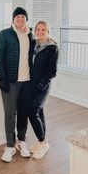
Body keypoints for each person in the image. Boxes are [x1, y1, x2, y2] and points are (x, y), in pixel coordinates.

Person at [0, 7, 34, 163]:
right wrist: (2, 79)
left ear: (26, 19)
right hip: (11, 81)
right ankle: (10, 145)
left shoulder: (31, 36)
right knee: (10, 114)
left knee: (23, 113)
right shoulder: (5, 35)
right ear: (13, 19)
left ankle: (22, 141)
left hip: (27, 81)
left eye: (23, 16)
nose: (20, 19)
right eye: (17, 16)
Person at [26, 20, 59, 159]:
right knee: (40, 112)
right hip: (31, 83)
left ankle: (42, 142)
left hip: (43, 86)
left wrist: (41, 84)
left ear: (48, 31)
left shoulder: (53, 48)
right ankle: (42, 143)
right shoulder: (34, 44)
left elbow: (52, 71)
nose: (40, 32)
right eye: (37, 30)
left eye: (43, 30)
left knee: (32, 112)